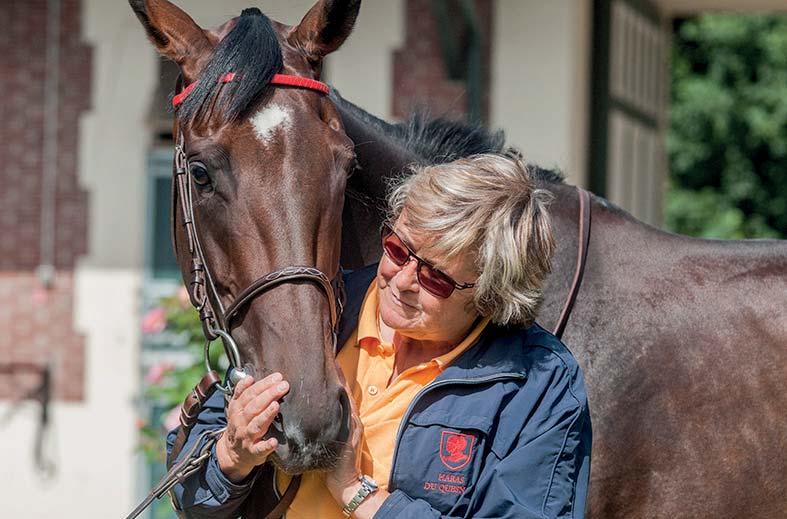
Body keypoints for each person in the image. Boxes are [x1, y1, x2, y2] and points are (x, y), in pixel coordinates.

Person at [167, 154, 592, 518]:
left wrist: (356, 492)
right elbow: (187, 495)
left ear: (490, 296)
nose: (401, 278)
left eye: (436, 278)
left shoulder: (538, 382)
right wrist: (230, 457)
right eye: (398, 249)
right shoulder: (316, 311)